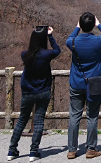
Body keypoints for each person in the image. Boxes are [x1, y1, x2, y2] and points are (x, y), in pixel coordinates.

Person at [7, 26, 61, 162]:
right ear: (43, 40)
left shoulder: (25, 54)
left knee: (21, 120)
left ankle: (12, 150)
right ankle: (33, 151)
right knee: (38, 121)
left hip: (27, 92)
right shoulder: (46, 54)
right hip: (43, 91)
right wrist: (50, 36)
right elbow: (57, 50)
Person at [66, 12, 101, 159]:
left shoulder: (72, 42)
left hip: (76, 83)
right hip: (94, 84)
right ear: (92, 25)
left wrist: (77, 27)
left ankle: (72, 150)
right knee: (92, 117)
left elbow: (70, 38)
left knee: (74, 116)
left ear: (80, 25)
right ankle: (91, 148)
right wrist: (98, 24)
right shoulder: (98, 41)